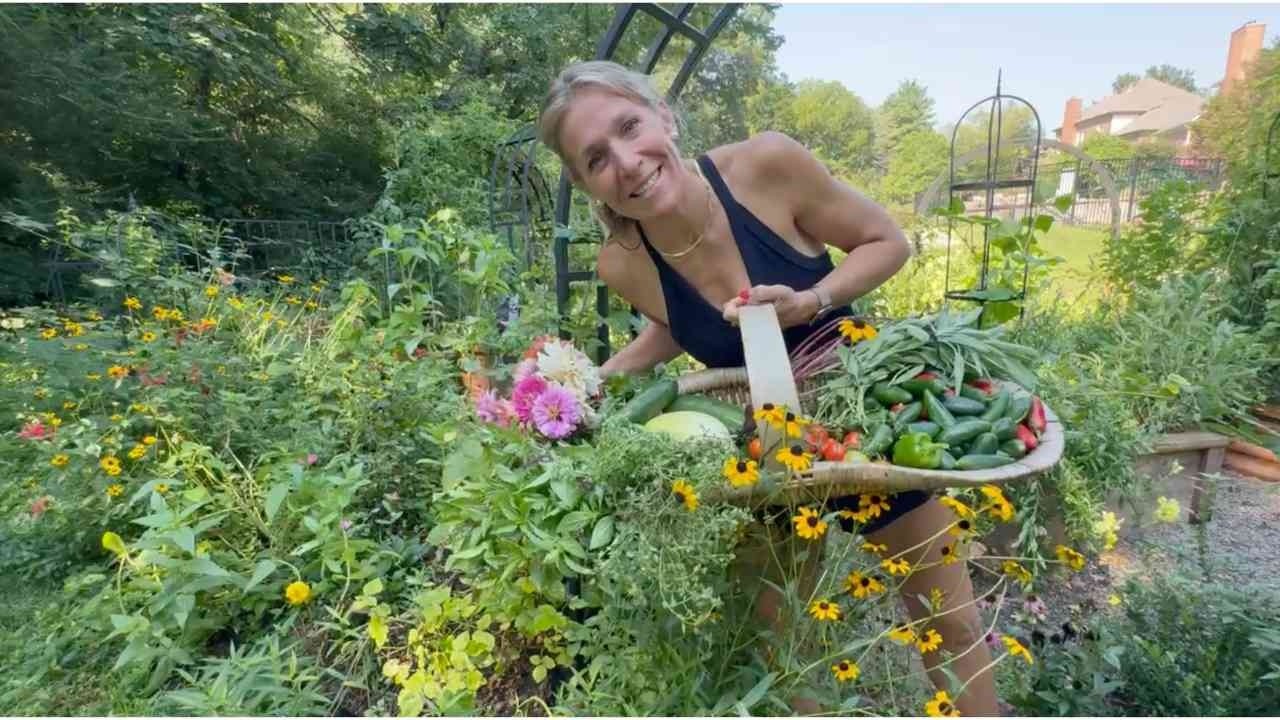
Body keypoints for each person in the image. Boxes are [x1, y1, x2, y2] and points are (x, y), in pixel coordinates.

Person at [537, 60, 998, 716]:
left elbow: (886, 241)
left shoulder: (765, 168)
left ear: (664, 116)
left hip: (864, 421)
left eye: (629, 127)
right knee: (784, 647)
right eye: (596, 158)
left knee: (948, 619)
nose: (627, 162)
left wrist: (812, 300)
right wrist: (589, 384)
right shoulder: (623, 262)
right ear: (587, 184)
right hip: (765, 452)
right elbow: (676, 325)